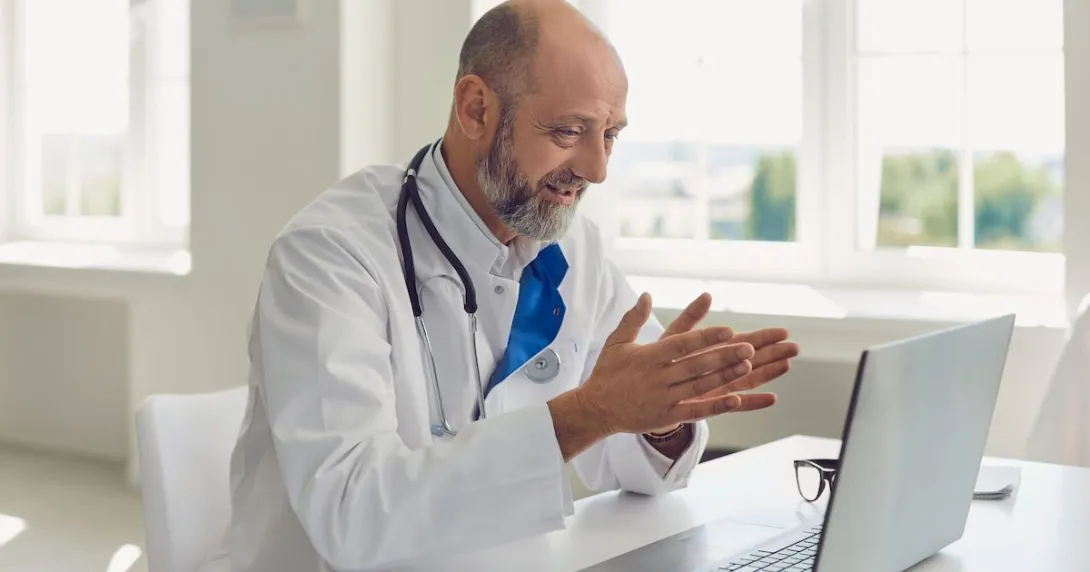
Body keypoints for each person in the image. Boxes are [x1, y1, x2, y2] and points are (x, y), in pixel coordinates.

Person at [214, 1, 799, 570]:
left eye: (611, 135)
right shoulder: (330, 254)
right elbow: (351, 513)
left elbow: (640, 473)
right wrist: (589, 413)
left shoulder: (575, 249)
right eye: (570, 131)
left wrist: (661, 414)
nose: (597, 169)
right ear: (475, 109)